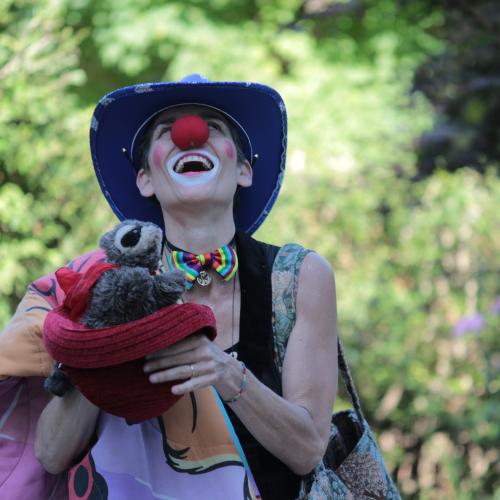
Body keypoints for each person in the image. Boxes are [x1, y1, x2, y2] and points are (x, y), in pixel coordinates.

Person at [2, 74, 338, 499]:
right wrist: (102, 351)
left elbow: (308, 450)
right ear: (145, 179)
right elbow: (50, 455)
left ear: (244, 170)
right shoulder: (99, 284)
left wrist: (225, 372)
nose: (190, 135)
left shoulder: (299, 276)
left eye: (213, 128)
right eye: (167, 130)